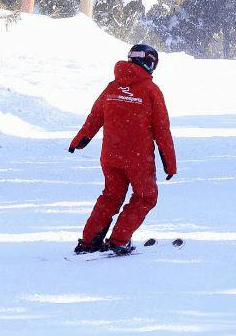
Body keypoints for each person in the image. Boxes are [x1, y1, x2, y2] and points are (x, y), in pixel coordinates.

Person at [69, 43, 177, 255]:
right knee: (146, 197)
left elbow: (95, 117)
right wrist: (170, 165)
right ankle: (119, 240)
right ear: (150, 63)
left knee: (111, 196)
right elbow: (162, 130)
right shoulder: (150, 91)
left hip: (110, 156)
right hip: (138, 160)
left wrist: (80, 140)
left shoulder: (112, 87)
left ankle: (90, 241)